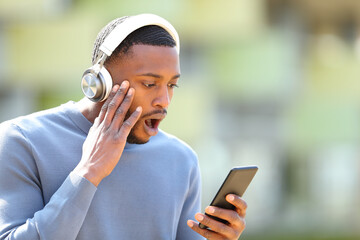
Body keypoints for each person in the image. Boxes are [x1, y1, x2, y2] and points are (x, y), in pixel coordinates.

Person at [0, 14, 247, 239]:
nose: (164, 100)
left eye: (172, 85)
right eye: (150, 83)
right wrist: (89, 172)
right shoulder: (22, 140)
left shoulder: (181, 159)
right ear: (99, 83)